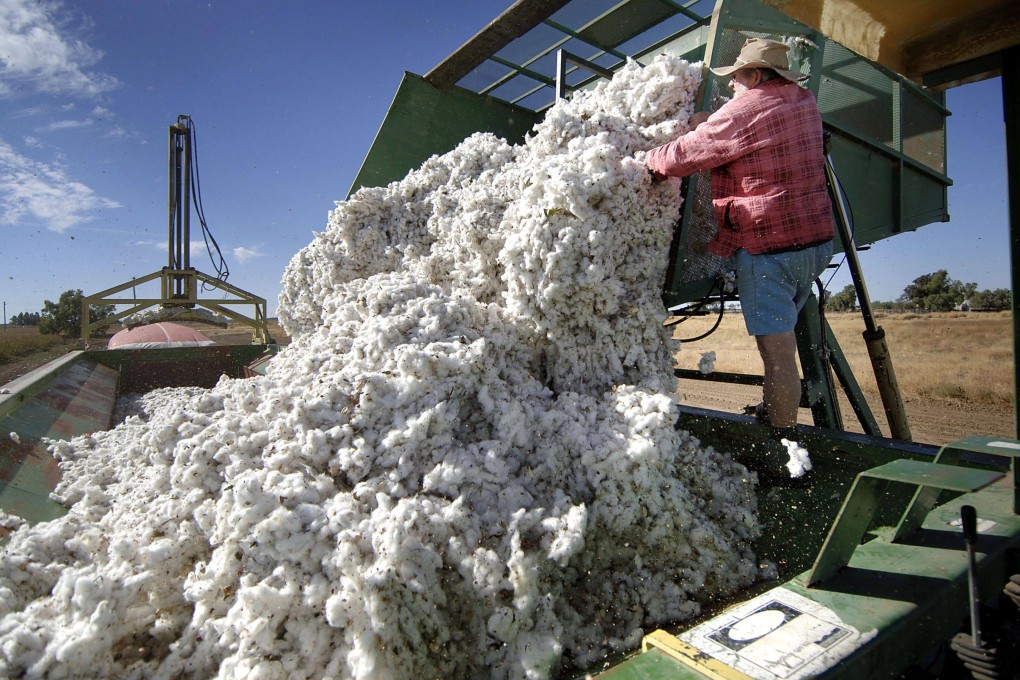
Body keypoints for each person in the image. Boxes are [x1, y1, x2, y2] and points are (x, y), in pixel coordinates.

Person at [644, 38, 834, 445]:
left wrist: (646, 162)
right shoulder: (803, 101)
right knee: (786, 336)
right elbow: (751, 132)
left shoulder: (745, 109)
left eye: (736, 77)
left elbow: (683, 157)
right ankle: (776, 412)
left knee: (778, 355)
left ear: (755, 75)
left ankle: (781, 443)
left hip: (770, 251)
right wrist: (710, 122)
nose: (731, 84)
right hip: (816, 243)